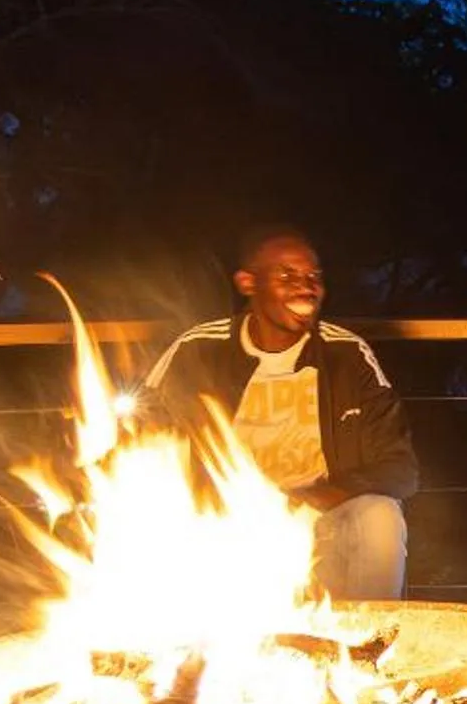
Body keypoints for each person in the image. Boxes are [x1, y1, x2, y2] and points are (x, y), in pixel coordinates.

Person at [139, 227, 417, 602]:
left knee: (380, 516)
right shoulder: (199, 349)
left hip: (320, 519)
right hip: (223, 521)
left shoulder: (346, 356)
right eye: (286, 275)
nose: (305, 287)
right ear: (248, 282)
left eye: (313, 277)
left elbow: (400, 468)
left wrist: (316, 497)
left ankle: (371, 644)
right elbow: (139, 437)